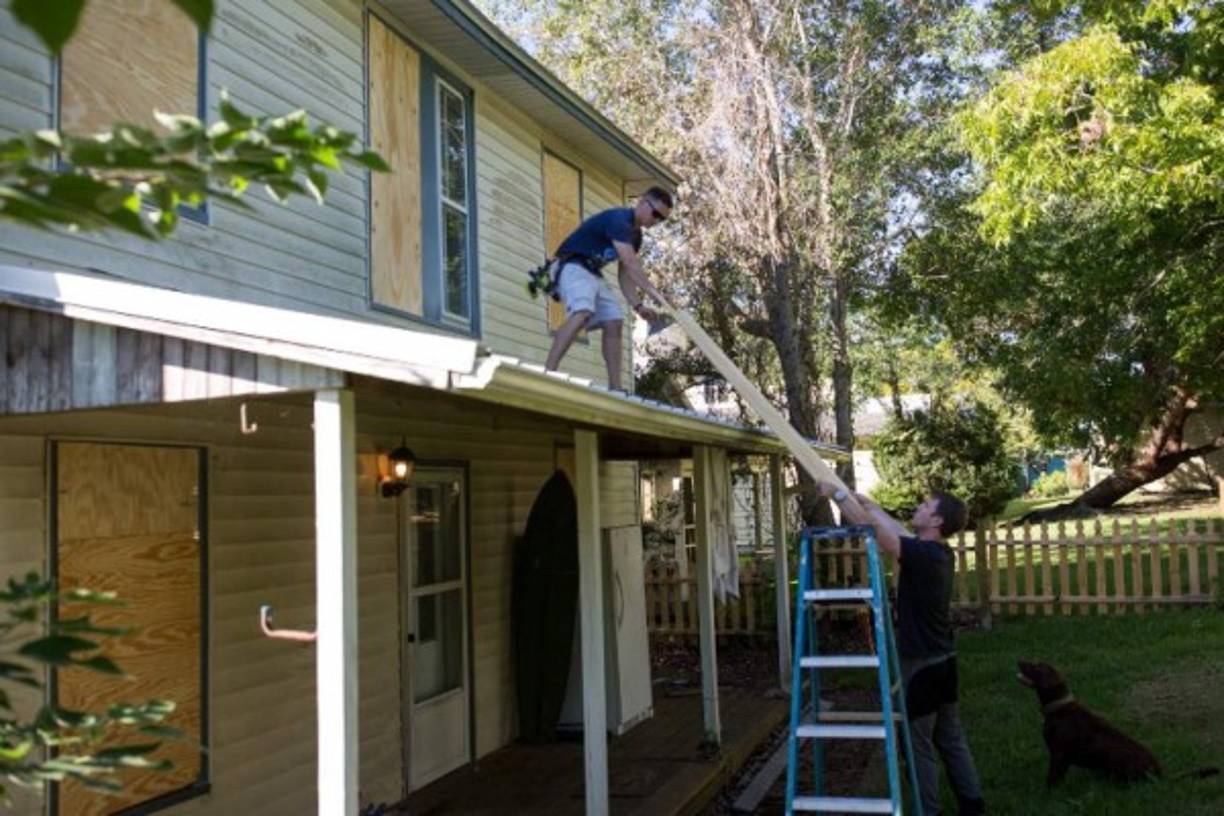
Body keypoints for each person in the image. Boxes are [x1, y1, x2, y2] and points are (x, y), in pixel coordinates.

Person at [816, 482, 987, 816]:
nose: (919, 507)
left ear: (936, 522)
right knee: (950, 739)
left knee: (916, 746)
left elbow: (876, 532)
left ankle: (929, 810)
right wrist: (873, 504)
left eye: (926, 506)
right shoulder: (936, 552)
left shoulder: (922, 555)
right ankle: (973, 804)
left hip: (921, 667)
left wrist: (836, 495)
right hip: (943, 660)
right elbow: (891, 530)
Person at [543, 186, 673, 391]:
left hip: (591, 271)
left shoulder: (636, 236)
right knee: (583, 312)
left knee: (614, 320)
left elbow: (625, 275)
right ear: (642, 202)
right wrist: (657, 295)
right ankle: (548, 373)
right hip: (570, 264)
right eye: (655, 213)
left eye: (661, 219)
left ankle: (616, 387)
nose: (656, 221)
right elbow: (631, 264)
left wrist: (638, 306)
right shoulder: (620, 220)